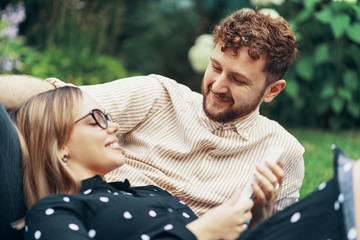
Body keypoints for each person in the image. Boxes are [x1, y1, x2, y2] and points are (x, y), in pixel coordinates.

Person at [0, 9, 304, 223]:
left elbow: (272, 234)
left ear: (272, 90)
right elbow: (59, 97)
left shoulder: (282, 153)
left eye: (238, 80)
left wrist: (261, 215)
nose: (218, 85)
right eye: (215, 67)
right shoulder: (159, 95)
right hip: (86, 214)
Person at [0, 87, 358, 240]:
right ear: (59, 146)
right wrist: (198, 232)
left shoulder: (143, 194)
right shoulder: (52, 212)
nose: (115, 125)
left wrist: (259, 214)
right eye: (97, 118)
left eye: (109, 115)